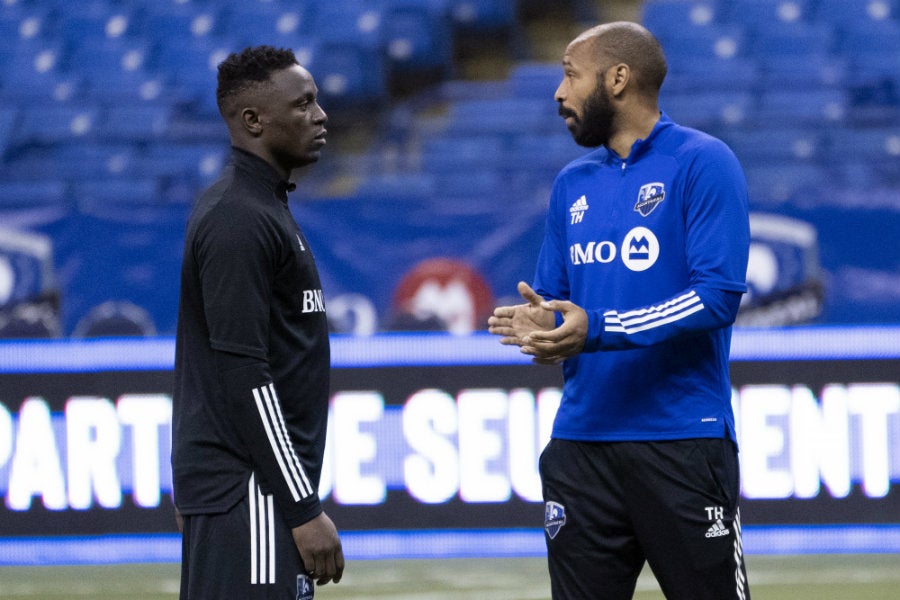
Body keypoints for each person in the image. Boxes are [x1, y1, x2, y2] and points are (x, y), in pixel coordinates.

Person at [488, 22, 751, 600]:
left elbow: (717, 297)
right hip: (581, 445)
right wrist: (543, 329)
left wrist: (599, 328)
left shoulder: (703, 162)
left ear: (618, 78)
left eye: (569, 74)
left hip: (681, 442)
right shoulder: (571, 183)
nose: (559, 93)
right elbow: (561, 308)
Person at [172, 46, 343, 599]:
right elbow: (244, 371)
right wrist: (300, 506)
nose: (320, 116)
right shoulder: (239, 218)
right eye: (304, 104)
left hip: (251, 494)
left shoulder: (262, 207)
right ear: (253, 121)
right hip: (251, 493)